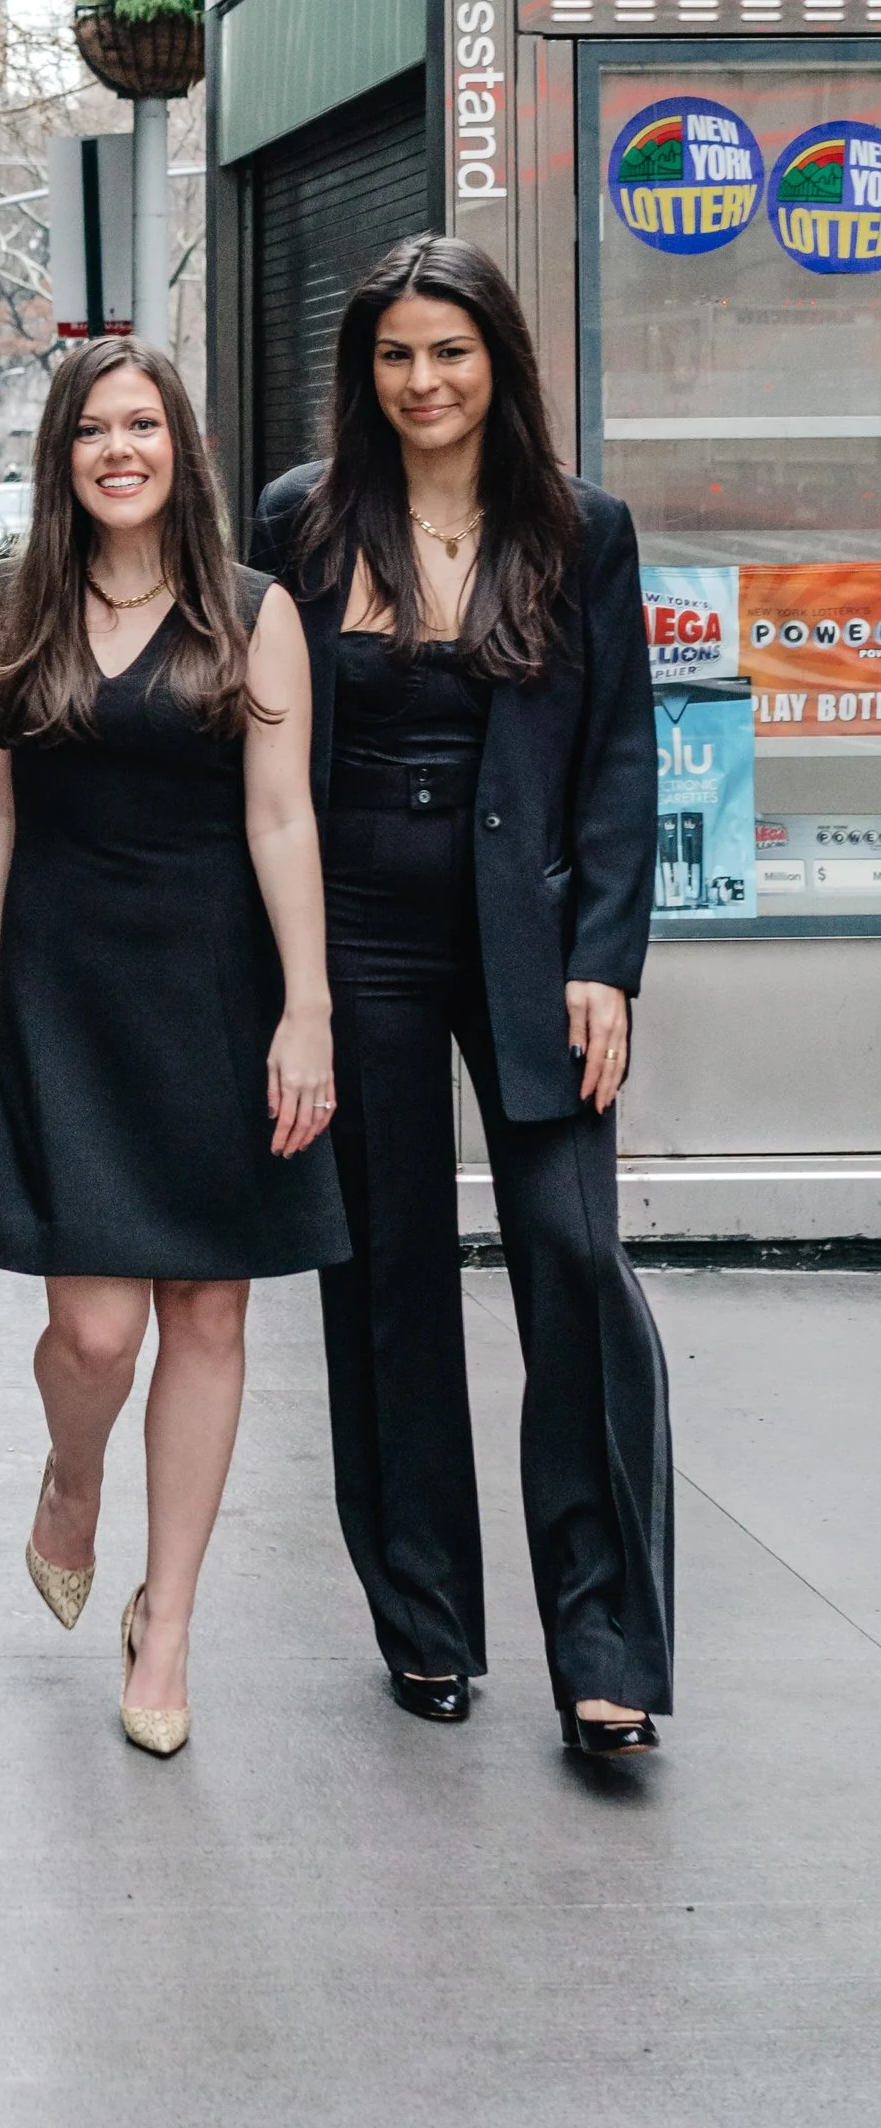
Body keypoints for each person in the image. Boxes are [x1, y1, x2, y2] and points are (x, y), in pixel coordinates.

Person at [249, 236, 669, 1759]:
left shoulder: (579, 530)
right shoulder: (303, 524)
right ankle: (423, 1621)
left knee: (573, 1263)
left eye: (450, 353)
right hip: (353, 936)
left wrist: (604, 961)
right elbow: (264, 764)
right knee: (390, 1283)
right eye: (395, 357)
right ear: (365, 375)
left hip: (529, 942)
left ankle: (607, 1643)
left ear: (498, 362)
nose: (423, 383)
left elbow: (619, 760)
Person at [0, 337, 342, 1758]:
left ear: (181, 444)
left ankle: (168, 1620)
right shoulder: (6, 604)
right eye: (91, 432)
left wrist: (305, 1009)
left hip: (217, 991)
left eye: (143, 426)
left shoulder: (257, 614)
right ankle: (74, 1477)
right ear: (60, 458)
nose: (119, 450)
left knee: (208, 1314)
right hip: (68, 990)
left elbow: (281, 817)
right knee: (94, 1326)